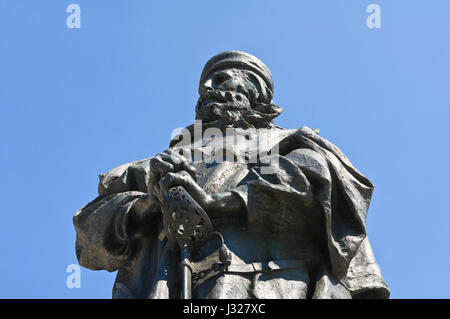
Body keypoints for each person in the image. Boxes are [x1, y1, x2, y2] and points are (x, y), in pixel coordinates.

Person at [73, 51, 389, 299]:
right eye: (205, 86)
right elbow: (89, 237)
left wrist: (220, 203)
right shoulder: (156, 164)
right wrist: (148, 203)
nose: (207, 90)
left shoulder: (285, 143)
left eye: (220, 80)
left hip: (265, 283)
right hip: (164, 285)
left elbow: (317, 185)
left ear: (255, 92)